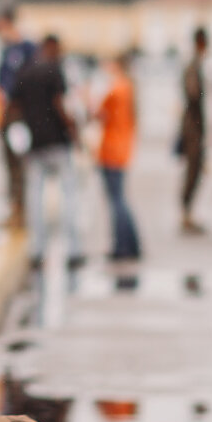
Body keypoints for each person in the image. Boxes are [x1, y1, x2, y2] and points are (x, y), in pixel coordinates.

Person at [11, 34, 82, 262]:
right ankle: (73, 250)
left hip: (35, 144)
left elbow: (14, 106)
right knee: (69, 196)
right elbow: (60, 104)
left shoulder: (25, 71)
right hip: (58, 143)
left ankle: (37, 249)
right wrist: (74, 132)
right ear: (52, 47)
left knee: (35, 198)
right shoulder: (53, 70)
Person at [0, 7, 34, 229]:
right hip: (7, 112)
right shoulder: (5, 50)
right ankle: (16, 208)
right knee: (9, 162)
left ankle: (24, 210)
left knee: (20, 163)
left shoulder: (26, 49)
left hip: (21, 113)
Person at [96, 49, 140, 262]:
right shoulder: (129, 87)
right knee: (121, 199)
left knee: (116, 201)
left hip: (111, 149)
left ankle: (122, 246)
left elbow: (98, 113)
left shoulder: (116, 89)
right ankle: (131, 244)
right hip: (123, 146)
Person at [175, 28, 208, 233]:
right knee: (192, 169)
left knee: (194, 169)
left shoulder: (195, 65)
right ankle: (186, 213)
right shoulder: (193, 66)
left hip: (194, 126)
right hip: (192, 127)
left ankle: (188, 211)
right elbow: (193, 94)